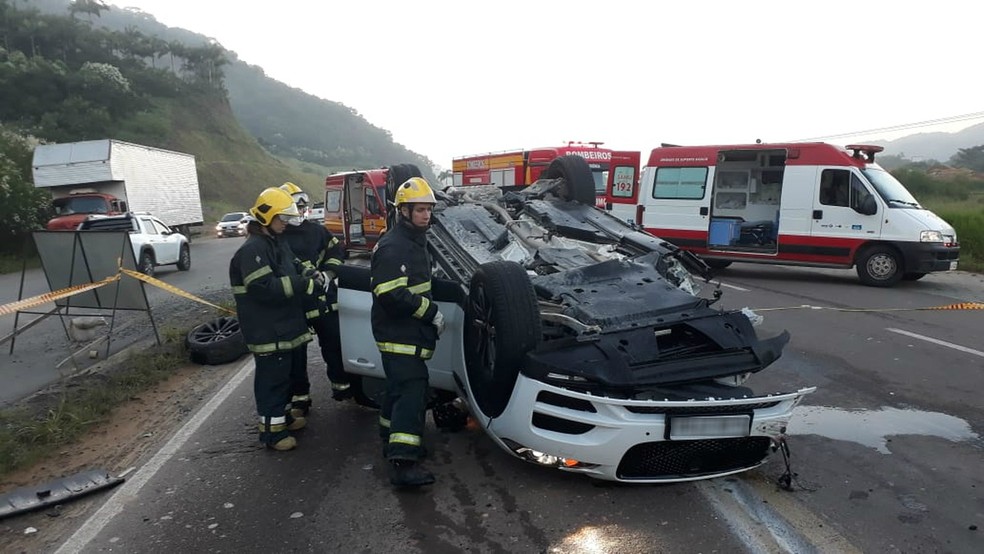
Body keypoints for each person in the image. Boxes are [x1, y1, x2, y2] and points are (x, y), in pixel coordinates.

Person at [229, 187, 321, 451]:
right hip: (268, 330)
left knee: (287, 377)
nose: (286, 223)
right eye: (282, 218)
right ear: (266, 218)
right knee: (272, 382)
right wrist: (302, 285)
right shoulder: (253, 249)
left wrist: (311, 273)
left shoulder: (276, 242)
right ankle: (272, 433)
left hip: (284, 326)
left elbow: (295, 263)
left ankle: (284, 417)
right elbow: (264, 288)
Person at [370, 177, 445, 488]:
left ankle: (392, 438)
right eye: (419, 210)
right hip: (400, 336)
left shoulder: (413, 241)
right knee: (412, 391)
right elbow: (390, 294)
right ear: (403, 211)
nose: (426, 215)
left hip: (404, 333)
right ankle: (403, 462)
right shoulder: (395, 246)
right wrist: (431, 312)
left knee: (398, 389)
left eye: (428, 210)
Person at [278, 182, 376, 413]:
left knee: (335, 344)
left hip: (323, 300)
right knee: (296, 354)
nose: (300, 212)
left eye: (303, 207)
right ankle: (299, 398)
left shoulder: (316, 231)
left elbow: (336, 251)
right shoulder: (277, 237)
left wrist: (329, 273)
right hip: (296, 304)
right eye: (296, 207)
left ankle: (343, 387)